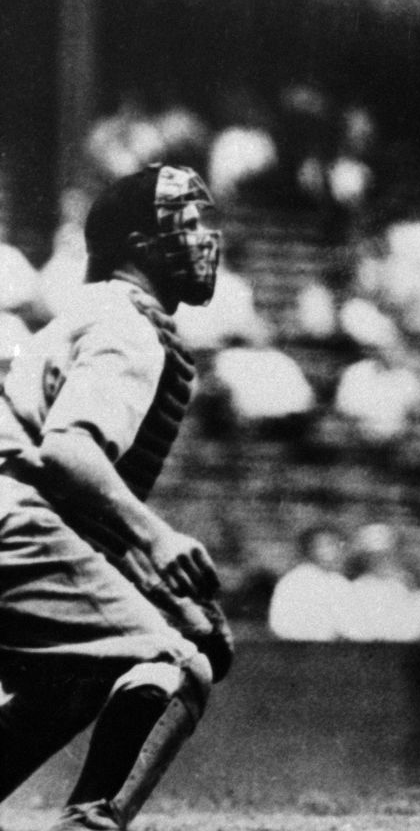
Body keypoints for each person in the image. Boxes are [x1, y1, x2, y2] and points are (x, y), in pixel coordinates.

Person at [0, 164, 230, 831]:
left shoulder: (89, 313)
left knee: (76, 676)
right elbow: (69, 452)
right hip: (9, 512)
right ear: (138, 244)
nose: (204, 239)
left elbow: (61, 495)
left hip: (17, 509)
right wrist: (157, 540)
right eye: (185, 224)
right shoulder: (130, 321)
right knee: (176, 665)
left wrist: (149, 585)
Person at [340, 523, 420, 643]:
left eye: (386, 554)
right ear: (365, 558)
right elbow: (353, 631)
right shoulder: (354, 588)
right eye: (375, 556)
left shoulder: (408, 586)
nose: (382, 560)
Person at [267, 526, 354, 641]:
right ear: (310, 549)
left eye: (338, 545)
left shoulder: (339, 581)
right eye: (327, 545)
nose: (335, 550)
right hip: (303, 650)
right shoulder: (294, 581)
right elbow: (280, 627)